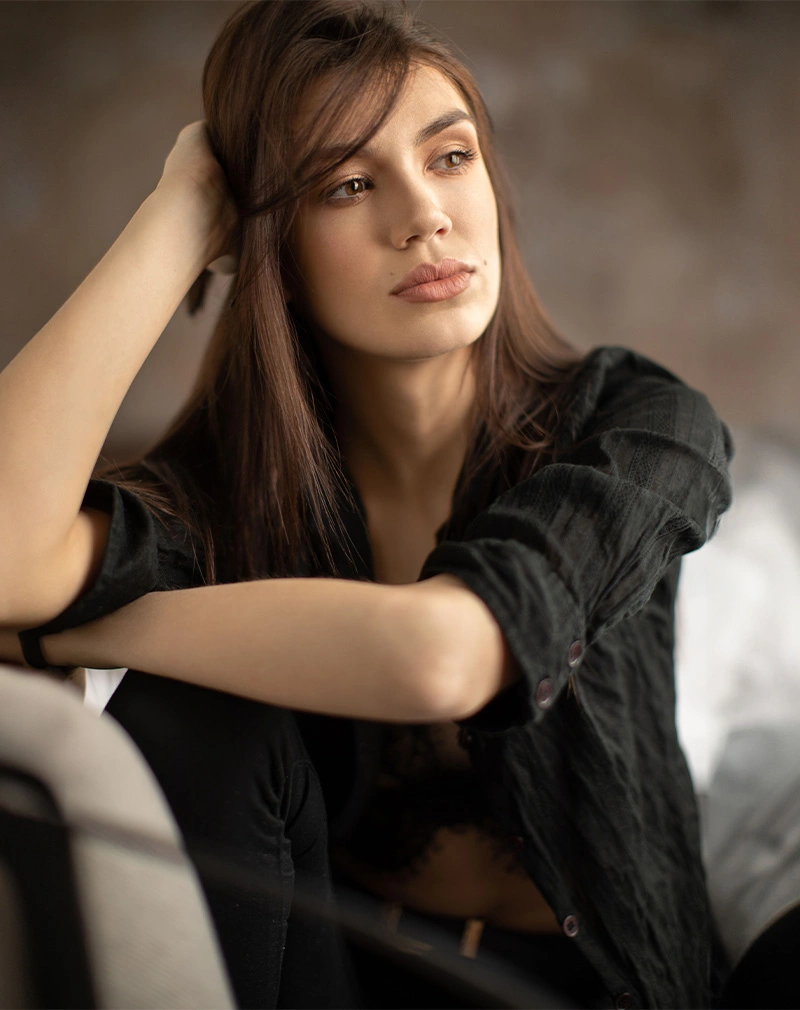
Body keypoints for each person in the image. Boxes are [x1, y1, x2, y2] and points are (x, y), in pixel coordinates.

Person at [0, 1, 734, 1007]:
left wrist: (75, 629)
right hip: (337, 971)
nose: (424, 215)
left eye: (450, 157)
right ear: (271, 245)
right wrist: (180, 214)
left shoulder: (637, 428)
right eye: (346, 183)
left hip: (585, 985)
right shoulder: (233, 484)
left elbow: (445, 656)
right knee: (193, 720)